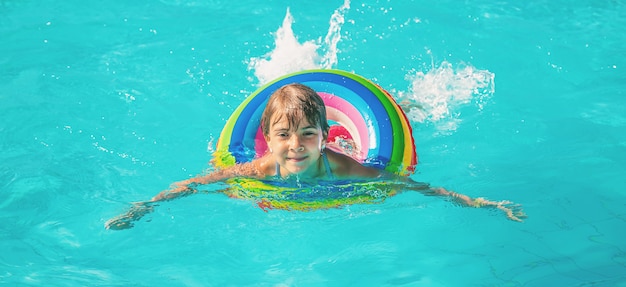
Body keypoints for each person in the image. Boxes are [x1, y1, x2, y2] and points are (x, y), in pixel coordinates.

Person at [105, 83, 525, 229]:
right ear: (267, 138)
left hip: (351, 143)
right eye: (284, 135)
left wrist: (476, 202)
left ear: (323, 136)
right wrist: (144, 206)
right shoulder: (261, 167)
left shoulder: (340, 164)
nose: (296, 145)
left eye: (308, 134)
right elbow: (196, 183)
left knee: (398, 115)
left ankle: (405, 104)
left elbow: (406, 184)